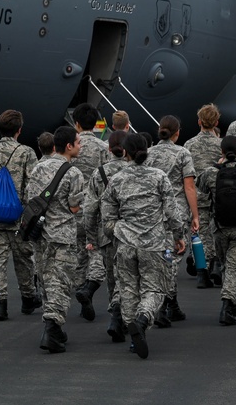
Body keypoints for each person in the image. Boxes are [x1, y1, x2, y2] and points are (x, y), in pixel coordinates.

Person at [100, 132, 185, 359]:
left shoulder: (117, 179)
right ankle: (144, 318)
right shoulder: (159, 177)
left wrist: (116, 231)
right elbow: (171, 211)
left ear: (125, 152)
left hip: (126, 242)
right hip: (153, 242)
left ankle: (133, 333)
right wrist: (179, 235)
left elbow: (106, 214)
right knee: (155, 288)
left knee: (128, 289)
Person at [0, 110, 40, 321]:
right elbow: (33, 186)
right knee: (24, 260)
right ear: (19, 130)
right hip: (19, 218)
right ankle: (28, 298)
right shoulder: (26, 153)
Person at [28, 126, 83, 353]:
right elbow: (74, 206)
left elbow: (30, 199)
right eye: (78, 142)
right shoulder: (73, 173)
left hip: (39, 234)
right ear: (68, 146)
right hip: (62, 235)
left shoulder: (38, 168)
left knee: (45, 278)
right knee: (61, 282)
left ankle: (54, 327)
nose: (81, 145)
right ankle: (52, 328)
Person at [195, 135, 236, 326]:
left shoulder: (210, 173)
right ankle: (228, 304)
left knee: (225, 264)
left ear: (221, 151)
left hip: (219, 226)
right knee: (234, 266)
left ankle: (232, 301)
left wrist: (217, 165)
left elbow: (201, 188)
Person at [144, 116, 198, 324]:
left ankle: (169, 302)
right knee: (173, 257)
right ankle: (166, 302)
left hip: (154, 211)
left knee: (159, 255)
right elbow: (189, 187)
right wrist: (195, 215)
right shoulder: (183, 153)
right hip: (176, 210)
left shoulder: (149, 153)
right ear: (177, 133)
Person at [84, 130, 130, 342]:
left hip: (107, 233)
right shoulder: (135, 171)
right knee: (130, 278)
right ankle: (124, 316)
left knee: (112, 279)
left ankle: (115, 317)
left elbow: (89, 210)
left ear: (109, 149)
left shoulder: (99, 173)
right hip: (132, 232)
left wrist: (91, 237)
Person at [71, 103, 110, 322]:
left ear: (76, 123)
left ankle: (80, 290)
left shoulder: (71, 146)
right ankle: (90, 287)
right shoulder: (103, 148)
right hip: (96, 208)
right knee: (95, 250)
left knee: (79, 253)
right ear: (96, 123)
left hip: (75, 208)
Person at [184, 104, 222, 288]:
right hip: (218, 195)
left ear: (199, 121)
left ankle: (202, 270)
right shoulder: (221, 145)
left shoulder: (189, 145)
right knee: (218, 231)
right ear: (216, 122)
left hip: (196, 196)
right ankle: (216, 261)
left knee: (198, 233)